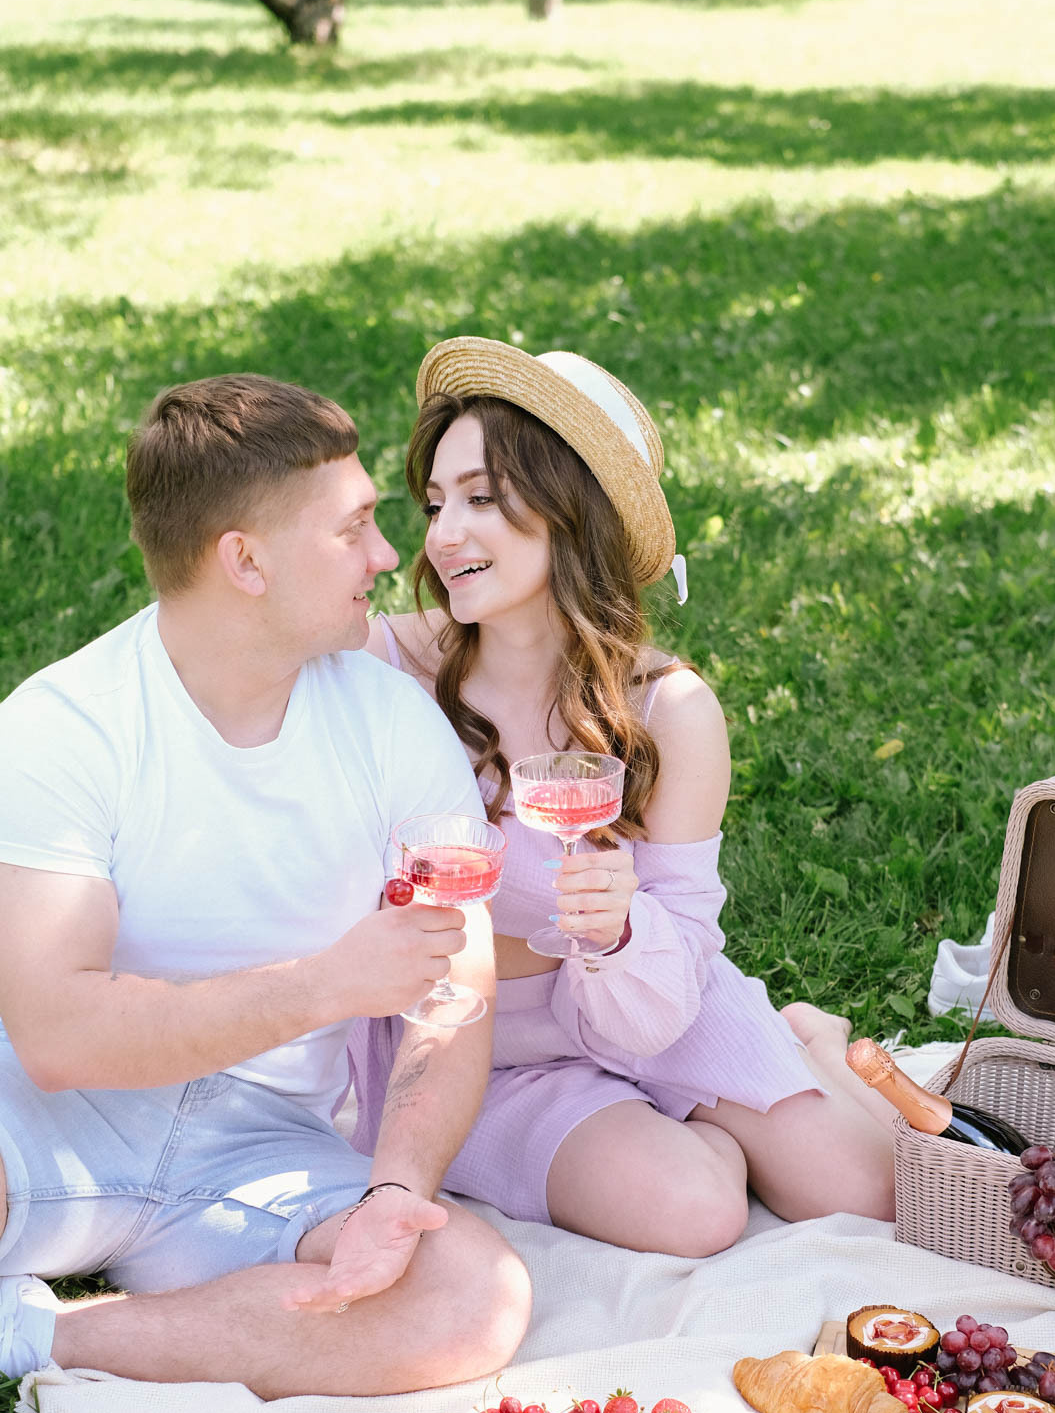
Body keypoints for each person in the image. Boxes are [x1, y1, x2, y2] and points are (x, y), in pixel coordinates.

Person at [0, 374, 531, 1394]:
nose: (389, 557)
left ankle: (41, 1339)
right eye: (353, 529)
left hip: (262, 1151)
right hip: (52, 1114)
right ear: (244, 560)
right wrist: (322, 987)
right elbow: (58, 1039)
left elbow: (453, 995)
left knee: (469, 1295)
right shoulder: (65, 728)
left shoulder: (392, 725)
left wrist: (394, 1190)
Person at [348, 338, 900, 1257]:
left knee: (869, 1191)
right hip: (486, 1046)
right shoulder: (386, 666)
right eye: (437, 503)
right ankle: (701, 1120)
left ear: (572, 510)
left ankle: (803, 1039)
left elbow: (680, 929)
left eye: (482, 499)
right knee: (695, 1211)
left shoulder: (667, 709)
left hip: (653, 996)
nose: (442, 536)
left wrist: (620, 931)